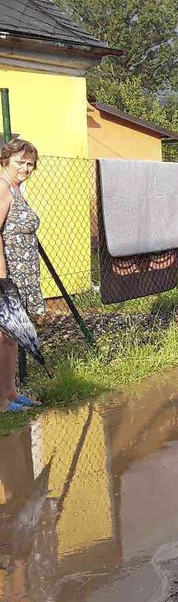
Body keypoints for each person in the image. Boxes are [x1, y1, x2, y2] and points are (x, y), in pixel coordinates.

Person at [0, 139, 43, 411]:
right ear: (5, 161)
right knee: (2, 337)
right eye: (20, 162)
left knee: (10, 337)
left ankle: (12, 394)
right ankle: (2, 404)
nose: (25, 168)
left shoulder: (16, 189)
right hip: (7, 277)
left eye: (30, 163)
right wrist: (2, 277)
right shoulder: (2, 189)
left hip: (21, 275)